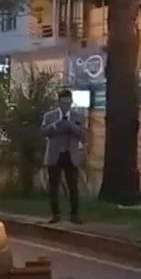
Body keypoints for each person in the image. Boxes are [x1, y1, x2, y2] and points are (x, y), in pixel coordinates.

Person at [41, 90, 85, 224]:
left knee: (73, 186)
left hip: (71, 155)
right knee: (53, 186)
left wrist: (70, 125)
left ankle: (75, 214)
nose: (66, 106)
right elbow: (43, 132)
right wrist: (55, 125)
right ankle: (55, 214)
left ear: (71, 102)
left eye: (68, 103)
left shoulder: (78, 116)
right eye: (63, 103)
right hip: (55, 155)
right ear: (58, 103)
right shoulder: (50, 116)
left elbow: (82, 134)